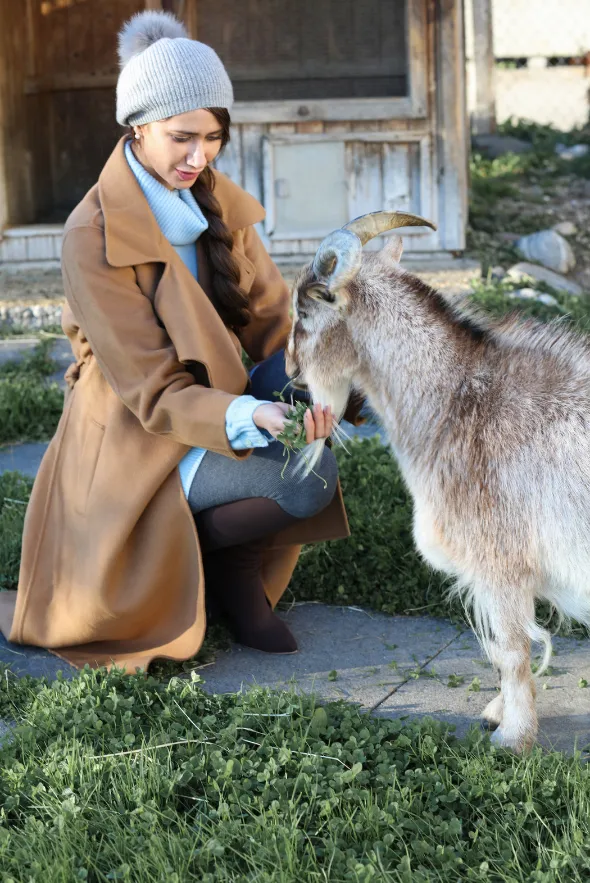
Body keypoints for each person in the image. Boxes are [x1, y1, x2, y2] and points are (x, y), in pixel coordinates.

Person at [0, 10, 362, 672]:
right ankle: (198, 561)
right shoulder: (90, 233)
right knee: (304, 480)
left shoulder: (214, 196)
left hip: (214, 398)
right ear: (137, 127)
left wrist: (337, 379)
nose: (200, 157)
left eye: (214, 137)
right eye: (182, 138)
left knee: (314, 429)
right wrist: (247, 415)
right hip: (137, 434)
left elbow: (273, 326)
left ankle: (227, 569)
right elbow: (151, 389)